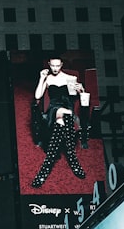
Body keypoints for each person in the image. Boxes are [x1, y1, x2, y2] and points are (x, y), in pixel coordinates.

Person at [31, 57, 87, 187]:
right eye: (53, 66)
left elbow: (76, 97)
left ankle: (44, 169)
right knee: (64, 114)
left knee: (62, 121)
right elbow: (37, 96)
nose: (55, 68)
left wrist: (81, 90)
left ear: (61, 64)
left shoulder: (70, 78)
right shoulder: (48, 78)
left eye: (58, 65)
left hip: (67, 108)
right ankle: (72, 158)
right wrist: (41, 78)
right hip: (54, 109)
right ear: (49, 65)